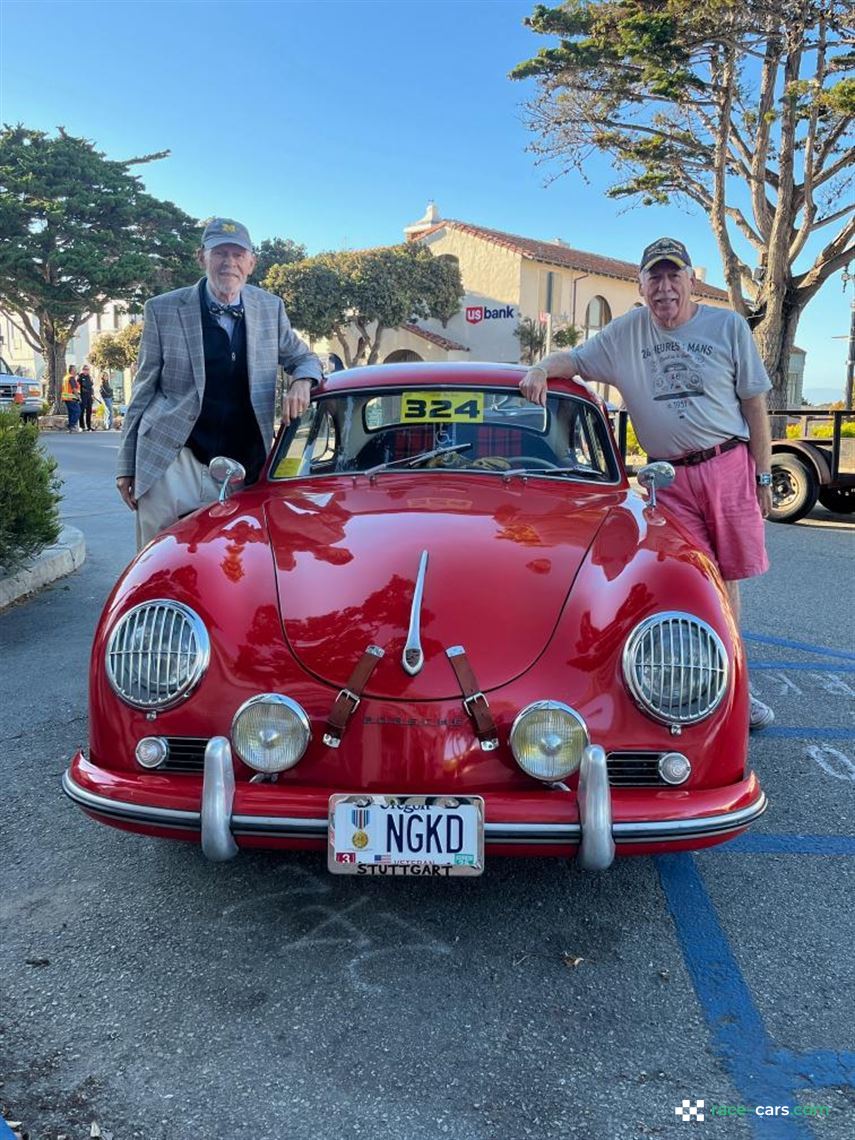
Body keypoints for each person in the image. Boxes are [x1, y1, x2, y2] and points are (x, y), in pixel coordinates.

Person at [519, 236, 775, 730]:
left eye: (672, 275)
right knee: (687, 580)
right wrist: (538, 367)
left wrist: (762, 475)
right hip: (667, 476)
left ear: (690, 280)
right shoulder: (625, 333)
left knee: (728, 581)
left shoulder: (727, 326)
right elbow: (574, 358)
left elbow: (755, 404)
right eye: (653, 278)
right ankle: (688, 688)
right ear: (640, 286)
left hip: (727, 463)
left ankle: (736, 688)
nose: (664, 288)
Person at [116, 217, 323, 548]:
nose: (229, 263)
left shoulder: (270, 308)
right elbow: (143, 390)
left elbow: (305, 359)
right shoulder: (162, 310)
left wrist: (302, 382)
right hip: (172, 460)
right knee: (160, 562)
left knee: (235, 565)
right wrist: (126, 465)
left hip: (244, 466)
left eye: (238, 254)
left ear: (251, 263)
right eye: (220, 253)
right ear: (202, 257)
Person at [61, 364, 81, 432]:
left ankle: (70, 427)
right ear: (72, 371)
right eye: (75, 369)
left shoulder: (65, 377)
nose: (76, 370)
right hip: (71, 397)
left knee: (71, 412)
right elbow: (74, 389)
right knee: (77, 411)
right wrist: (78, 397)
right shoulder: (71, 378)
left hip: (66, 398)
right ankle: (71, 425)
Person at [78, 364, 95, 431]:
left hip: (89, 396)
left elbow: (91, 387)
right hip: (82, 396)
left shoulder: (89, 377)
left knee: (89, 411)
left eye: (88, 369)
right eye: (85, 369)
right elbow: (78, 388)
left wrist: (92, 394)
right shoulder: (80, 378)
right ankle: (81, 426)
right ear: (82, 370)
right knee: (81, 411)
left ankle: (89, 426)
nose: (86, 371)